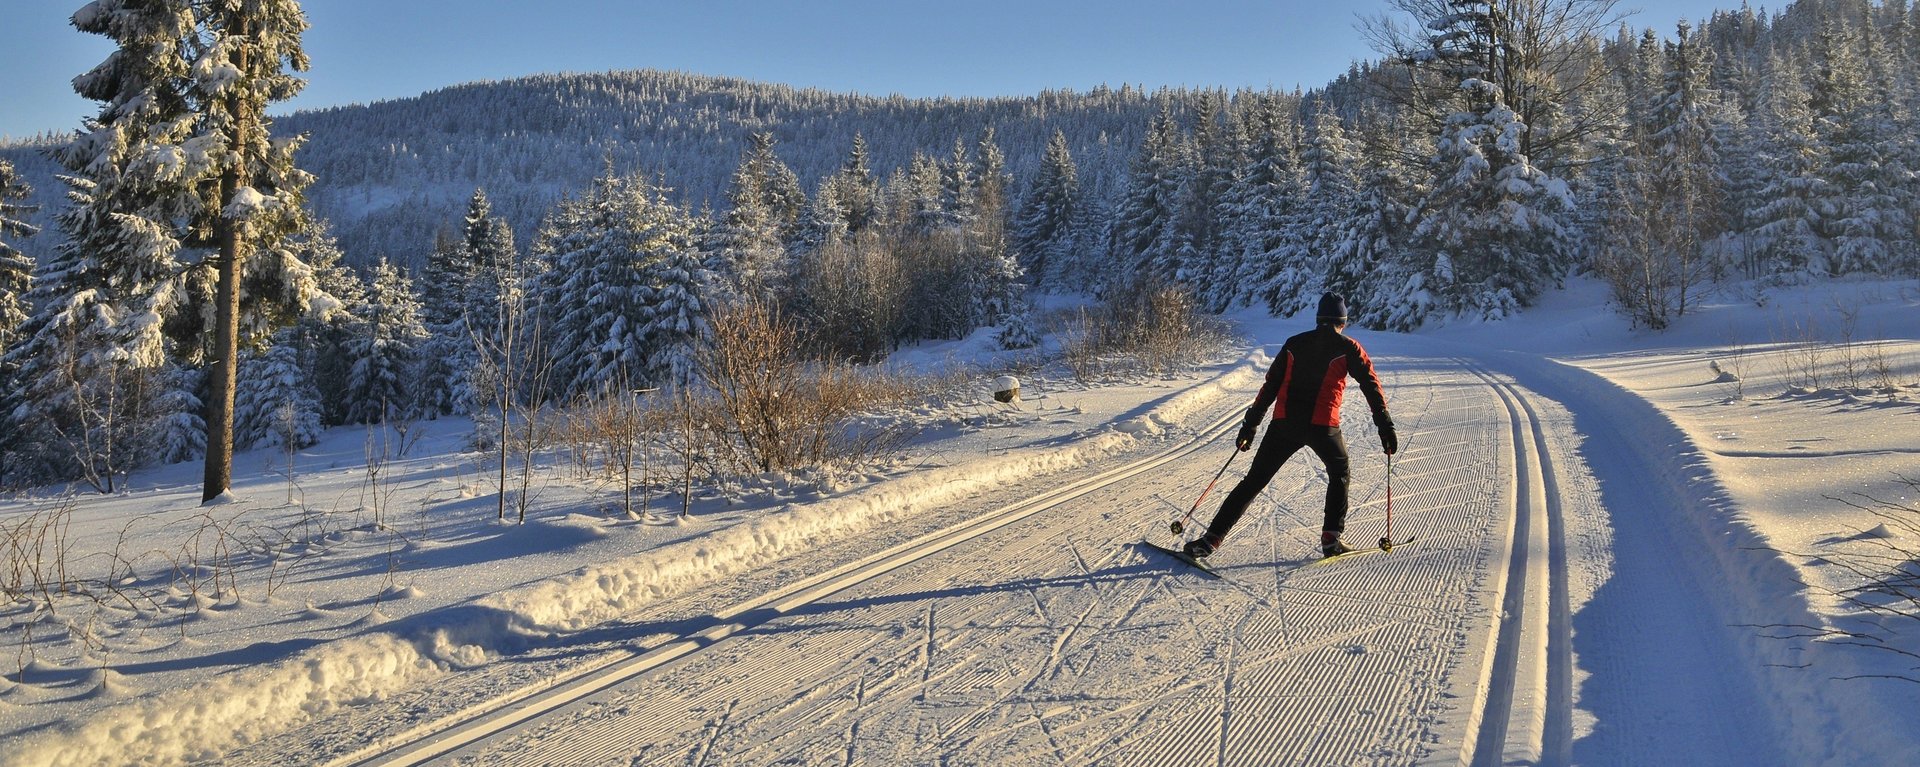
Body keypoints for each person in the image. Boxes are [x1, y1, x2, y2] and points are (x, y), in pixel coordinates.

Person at [1185, 293, 1396, 560]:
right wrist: (1384, 426)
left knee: (1253, 482)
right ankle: (1331, 539)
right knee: (1339, 472)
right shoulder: (1349, 347)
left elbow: (1269, 387)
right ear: (1342, 321)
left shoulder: (1294, 344)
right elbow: (1371, 387)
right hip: (1323, 427)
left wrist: (1250, 426)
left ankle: (1210, 540)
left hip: (1284, 424)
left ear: (1318, 318)